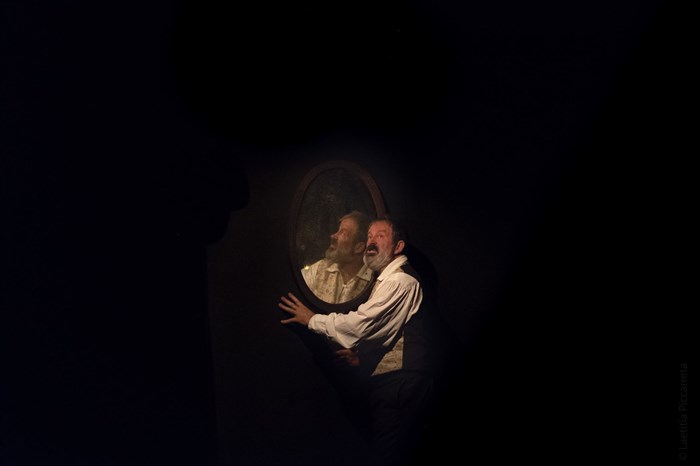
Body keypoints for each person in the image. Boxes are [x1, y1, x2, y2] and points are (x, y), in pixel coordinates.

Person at [280, 215, 435, 466]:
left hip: (402, 387)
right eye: (370, 235)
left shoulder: (401, 281)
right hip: (394, 386)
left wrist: (312, 319)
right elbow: (387, 331)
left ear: (398, 246)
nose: (371, 241)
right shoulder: (387, 281)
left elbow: (361, 326)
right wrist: (363, 357)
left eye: (380, 236)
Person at [301, 210, 373, 304]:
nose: (333, 236)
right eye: (338, 230)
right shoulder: (320, 268)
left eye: (343, 233)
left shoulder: (372, 282)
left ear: (358, 248)